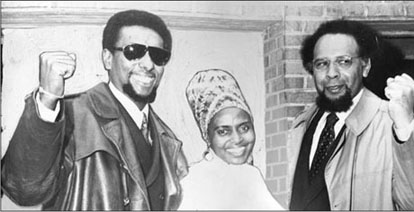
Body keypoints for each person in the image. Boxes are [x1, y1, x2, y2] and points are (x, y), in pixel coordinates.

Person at [1, 10, 188, 210]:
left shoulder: (167, 139)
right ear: (107, 59)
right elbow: (23, 190)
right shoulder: (72, 115)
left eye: (158, 56)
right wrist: (48, 99)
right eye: (134, 52)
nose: (149, 64)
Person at [287, 20, 414, 210]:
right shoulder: (301, 126)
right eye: (322, 63)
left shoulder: (395, 125)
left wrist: (404, 125)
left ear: (365, 67)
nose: (331, 73)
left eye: (344, 61)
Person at [179, 69, 284, 210]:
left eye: (244, 128)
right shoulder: (191, 182)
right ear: (207, 136)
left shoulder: (251, 176)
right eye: (223, 131)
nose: (237, 139)